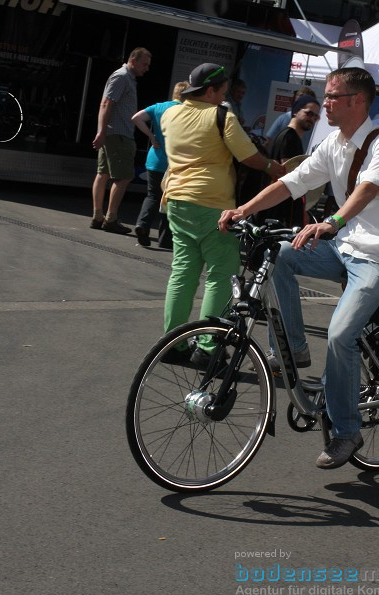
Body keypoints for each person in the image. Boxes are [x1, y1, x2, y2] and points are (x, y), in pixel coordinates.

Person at [218, 67, 379, 470]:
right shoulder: (332, 144)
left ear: (358, 101)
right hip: (344, 248)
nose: (324, 103)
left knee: (341, 333)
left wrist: (332, 223)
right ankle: (294, 349)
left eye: (333, 96)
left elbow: (368, 188)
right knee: (281, 253)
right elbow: (291, 182)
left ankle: (346, 431)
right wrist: (243, 210)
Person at [160, 63, 285, 367]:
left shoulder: (170, 114)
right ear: (211, 90)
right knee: (221, 274)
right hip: (213, 203)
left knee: (183, 271)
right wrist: (274, 168)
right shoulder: (220, 116)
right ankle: (209, 346)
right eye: (223, 91)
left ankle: (171, 345)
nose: (224, 97)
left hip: (176, 199)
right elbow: (248, 156)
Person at [91, 47, 152, 233]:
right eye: (144, 64)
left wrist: (103, 132)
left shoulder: (127, 77)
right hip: (118, 135)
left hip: (113, 134)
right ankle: (110, 219)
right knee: (123, 177)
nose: (147, 68)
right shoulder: (122, 76)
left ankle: (98, 217)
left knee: (104, 174)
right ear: (133, 61)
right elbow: (106, 103)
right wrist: (101, 132)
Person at [130, 81, 188, 249]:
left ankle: (143, 224)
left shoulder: (159, 107)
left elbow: (136, 118)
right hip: (175, 162)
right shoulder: (186, 111)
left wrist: (151, 136)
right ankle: (165, 239)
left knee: (153, 196)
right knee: (171, 200)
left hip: (154, 160)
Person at [252, 94, 321, 227]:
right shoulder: (290, 138)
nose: (312, 118)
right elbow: (291, 178)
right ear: (295, 111)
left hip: (273, 207)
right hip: (279, 210)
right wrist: (302, 210)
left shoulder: (287, 135)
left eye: (315, 116)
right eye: (309, 113)